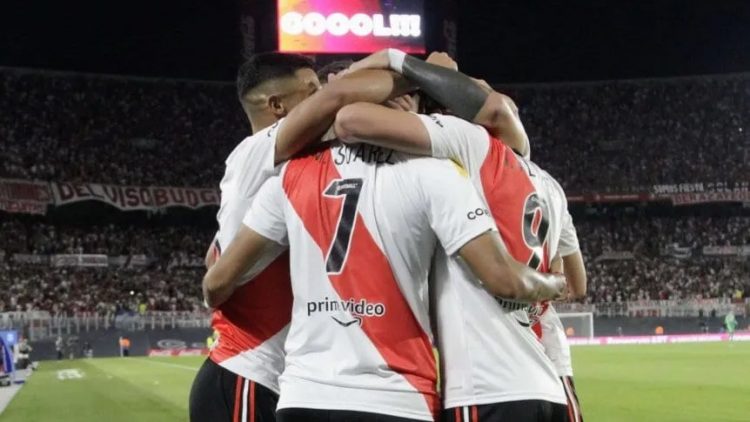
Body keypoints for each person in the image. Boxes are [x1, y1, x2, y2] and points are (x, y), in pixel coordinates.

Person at [338, 49, 586, 421]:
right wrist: (548, 285)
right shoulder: (549, 184)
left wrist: (396, 65)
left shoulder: (469, 144)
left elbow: (351, 119)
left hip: (487, 384)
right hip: (547, 377)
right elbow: (574, 284)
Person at [190, 53, 422, 422]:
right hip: (248, 374)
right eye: (311, 90)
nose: (322, 96)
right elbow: (338, 98)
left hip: (267, 379)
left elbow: (213, 258)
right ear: (277, 106)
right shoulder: (258, 152)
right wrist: (422, 75)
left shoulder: (289, 171)